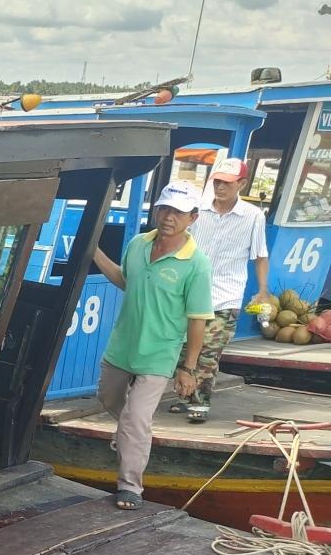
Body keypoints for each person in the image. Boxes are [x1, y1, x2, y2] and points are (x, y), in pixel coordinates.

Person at [93, 181, 214, 510]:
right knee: (109, 398)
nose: (169, 217)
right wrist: (94, 251)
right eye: (164, 209)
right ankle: (131, 436)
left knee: (136, 419)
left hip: (160, 353)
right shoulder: (138, 244)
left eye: (178, 212)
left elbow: (197, 321)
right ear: (156, 210)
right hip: (123, 345)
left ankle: (130, 486)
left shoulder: (197, 263)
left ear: (193, 218)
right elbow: (126, 279)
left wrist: (188, 368)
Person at [169, 158, 269, 422]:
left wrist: (262, 291)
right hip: (189, 291)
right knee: (184, 348)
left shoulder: (253, 216)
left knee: (209, 351)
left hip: (226, 296)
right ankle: (185, 396)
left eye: (227, 183)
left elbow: (260, 255)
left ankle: (200, 402)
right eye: (217, 182)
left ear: (242, 184)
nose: (220, 187)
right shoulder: (197, 210)